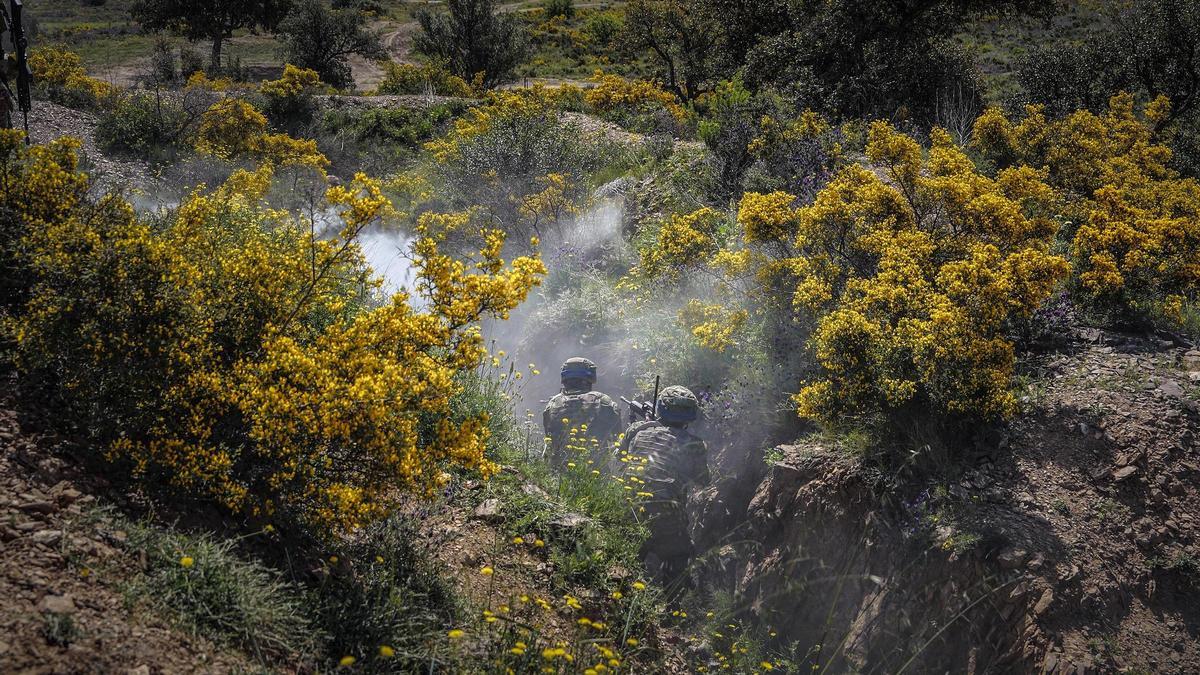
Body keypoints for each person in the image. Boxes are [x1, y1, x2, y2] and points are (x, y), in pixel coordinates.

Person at [623, 385, 709, 584]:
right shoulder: (695, 444)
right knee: (679, 566)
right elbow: (704, 480)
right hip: (668, 520)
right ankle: (675, 599)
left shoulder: (637, 432)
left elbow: (621, 456)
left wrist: (646, 425)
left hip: (631, 511)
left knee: (624, 564)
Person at [542, 357, 622, 470]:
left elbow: (549, 438)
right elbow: (617, 438)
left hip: (557, 471)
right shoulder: (603, 401)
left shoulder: (553, 403)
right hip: (594, 471)